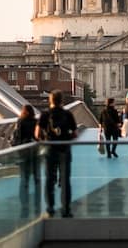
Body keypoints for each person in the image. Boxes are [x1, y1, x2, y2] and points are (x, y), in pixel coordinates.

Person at [35, 90, 78, 218]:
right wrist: (67, 138)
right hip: (64, 149)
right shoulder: (67, 114)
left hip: (50, 149)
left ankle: (50, 209)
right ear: (62, 100)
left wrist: (44, 141)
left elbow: (37, 134)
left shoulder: (45, 114)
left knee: (49, 179)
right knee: (65, 181)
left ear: (50, 100)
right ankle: (66, 210)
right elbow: (75, 133)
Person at [12, 104, 39, 217]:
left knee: (24, 178)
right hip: (34, 151)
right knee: (36, 177)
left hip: (23, 152)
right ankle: (37, 202)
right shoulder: (35, 121)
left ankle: (24, 202)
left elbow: (17, 137)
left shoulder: (20, 121)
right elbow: (38, 136)